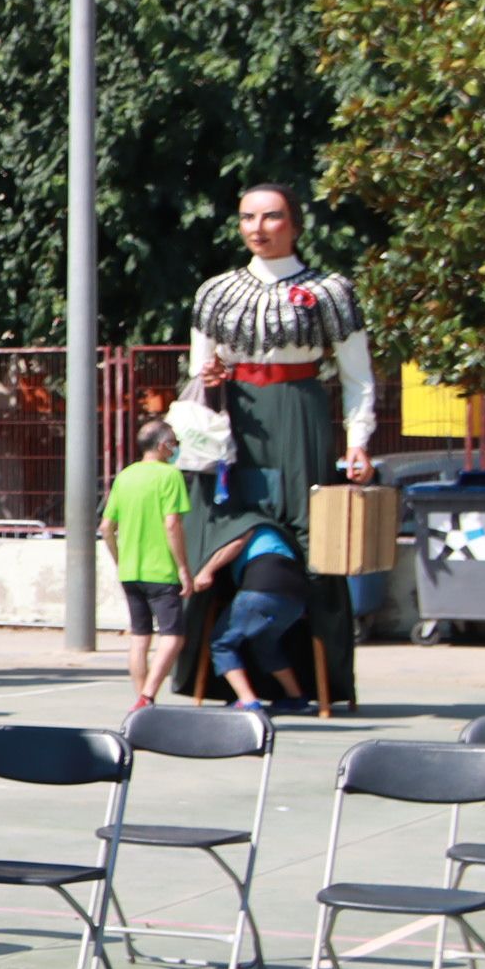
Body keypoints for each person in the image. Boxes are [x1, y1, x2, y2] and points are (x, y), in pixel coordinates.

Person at [186, 181, 374, 708]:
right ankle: (229, 681)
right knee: (233, 530)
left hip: (302, 416)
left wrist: (357, 442)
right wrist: (211, 377)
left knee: (314, 541)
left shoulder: (330, 290)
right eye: (248, 217)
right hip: (236, 423)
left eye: (270, 217)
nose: (257, 228)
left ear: (294, 223)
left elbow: (358, 377)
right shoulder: (216, 291)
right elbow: (198, 372)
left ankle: (320, 685)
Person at [100, 420, 197, 710]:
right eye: (174, 442)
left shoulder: (125, 476)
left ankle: (141, 700)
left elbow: (106, 527)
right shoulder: (170, 476)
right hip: (161, 570)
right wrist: (183, 568)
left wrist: (120, 559)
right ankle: (148, 695)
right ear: (162, 444)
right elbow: (172, 524)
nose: (176, 447)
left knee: (140, 636)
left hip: (131, 571)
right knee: (173, 636)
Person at [194, 516, 311, 708]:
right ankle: (296, 697)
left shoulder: (247, 524)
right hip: (296, 598)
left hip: (262, 588)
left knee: (221, 643)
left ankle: (248, 700)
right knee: (265, 644)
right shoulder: (275, 534)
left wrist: (206, 571)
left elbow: (236, 545)